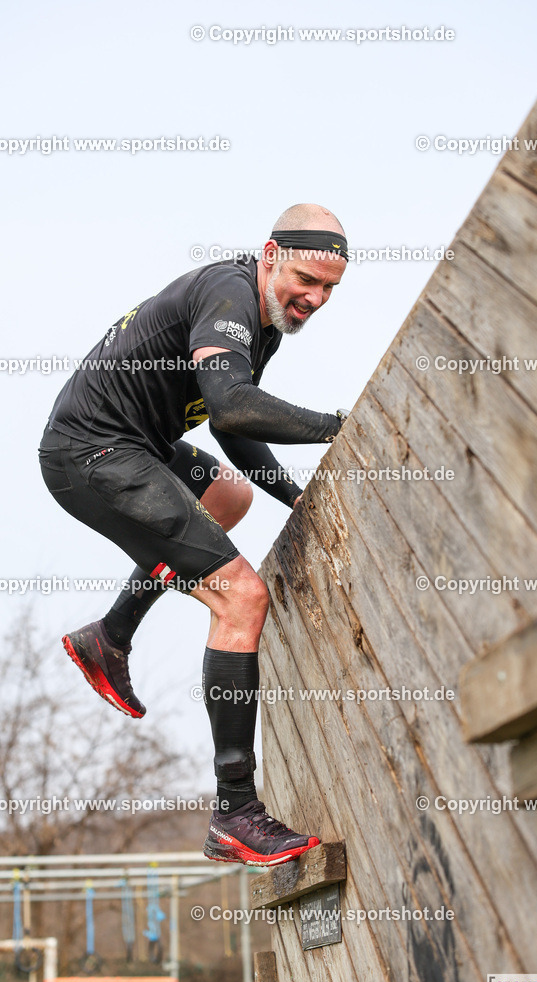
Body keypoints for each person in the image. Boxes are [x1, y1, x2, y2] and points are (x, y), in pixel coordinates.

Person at [39, 203, 349, 865]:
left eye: (328, 290)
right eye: (305, 279)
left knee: (227, 497)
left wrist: (293, 497)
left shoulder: (258, 321)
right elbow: (236, 404)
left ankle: (110, 634)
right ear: (270, 255)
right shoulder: (229, 292)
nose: (314, 299)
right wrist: (338, 425)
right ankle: (235, 810)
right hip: (93, 452)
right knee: (242, 598)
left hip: (137, 446)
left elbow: (229, 425)